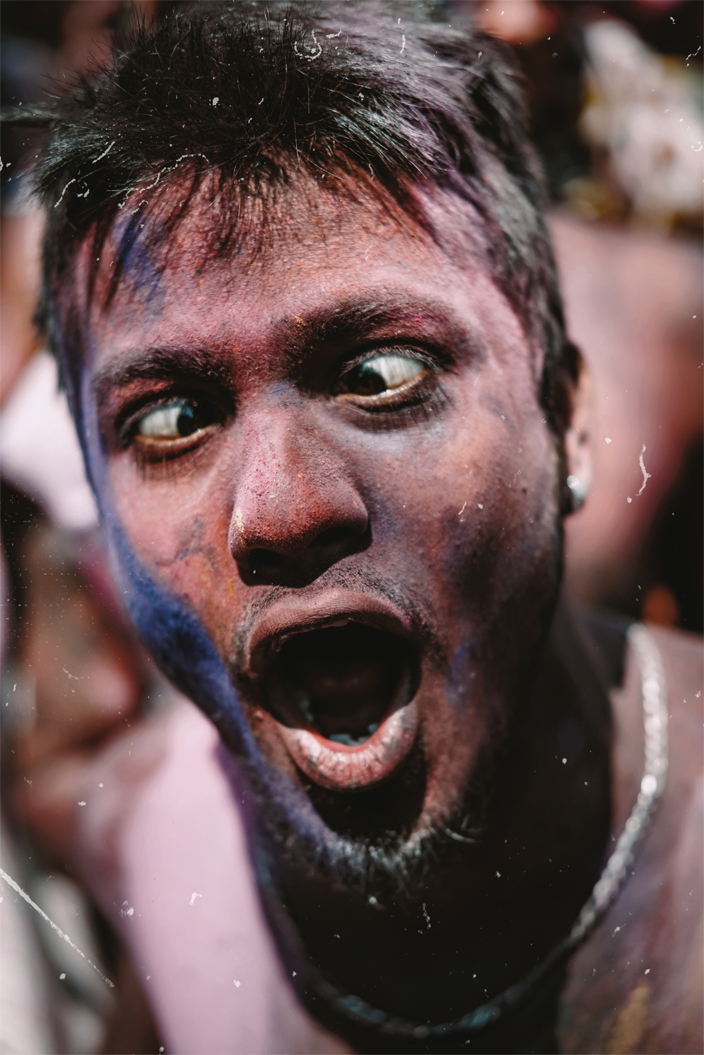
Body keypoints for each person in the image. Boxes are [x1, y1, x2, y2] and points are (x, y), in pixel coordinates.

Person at [11, 3, 701, 1052]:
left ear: (569, 419)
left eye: (380, 375)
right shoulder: (160, 852)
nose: (281, 509)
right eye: (171, 418)